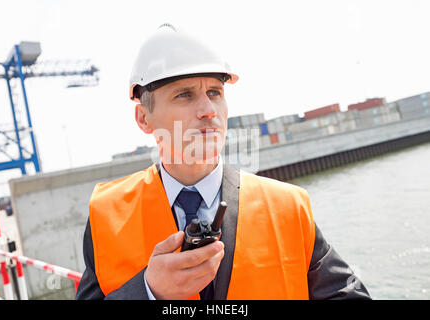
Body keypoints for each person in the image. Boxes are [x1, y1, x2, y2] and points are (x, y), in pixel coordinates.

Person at [76, 23, 371, 300]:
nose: (208, 109)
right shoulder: (107, 216)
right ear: (144, 118)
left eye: (215, 93)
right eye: (184, 95)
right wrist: (148, 291)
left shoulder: (288, 207)